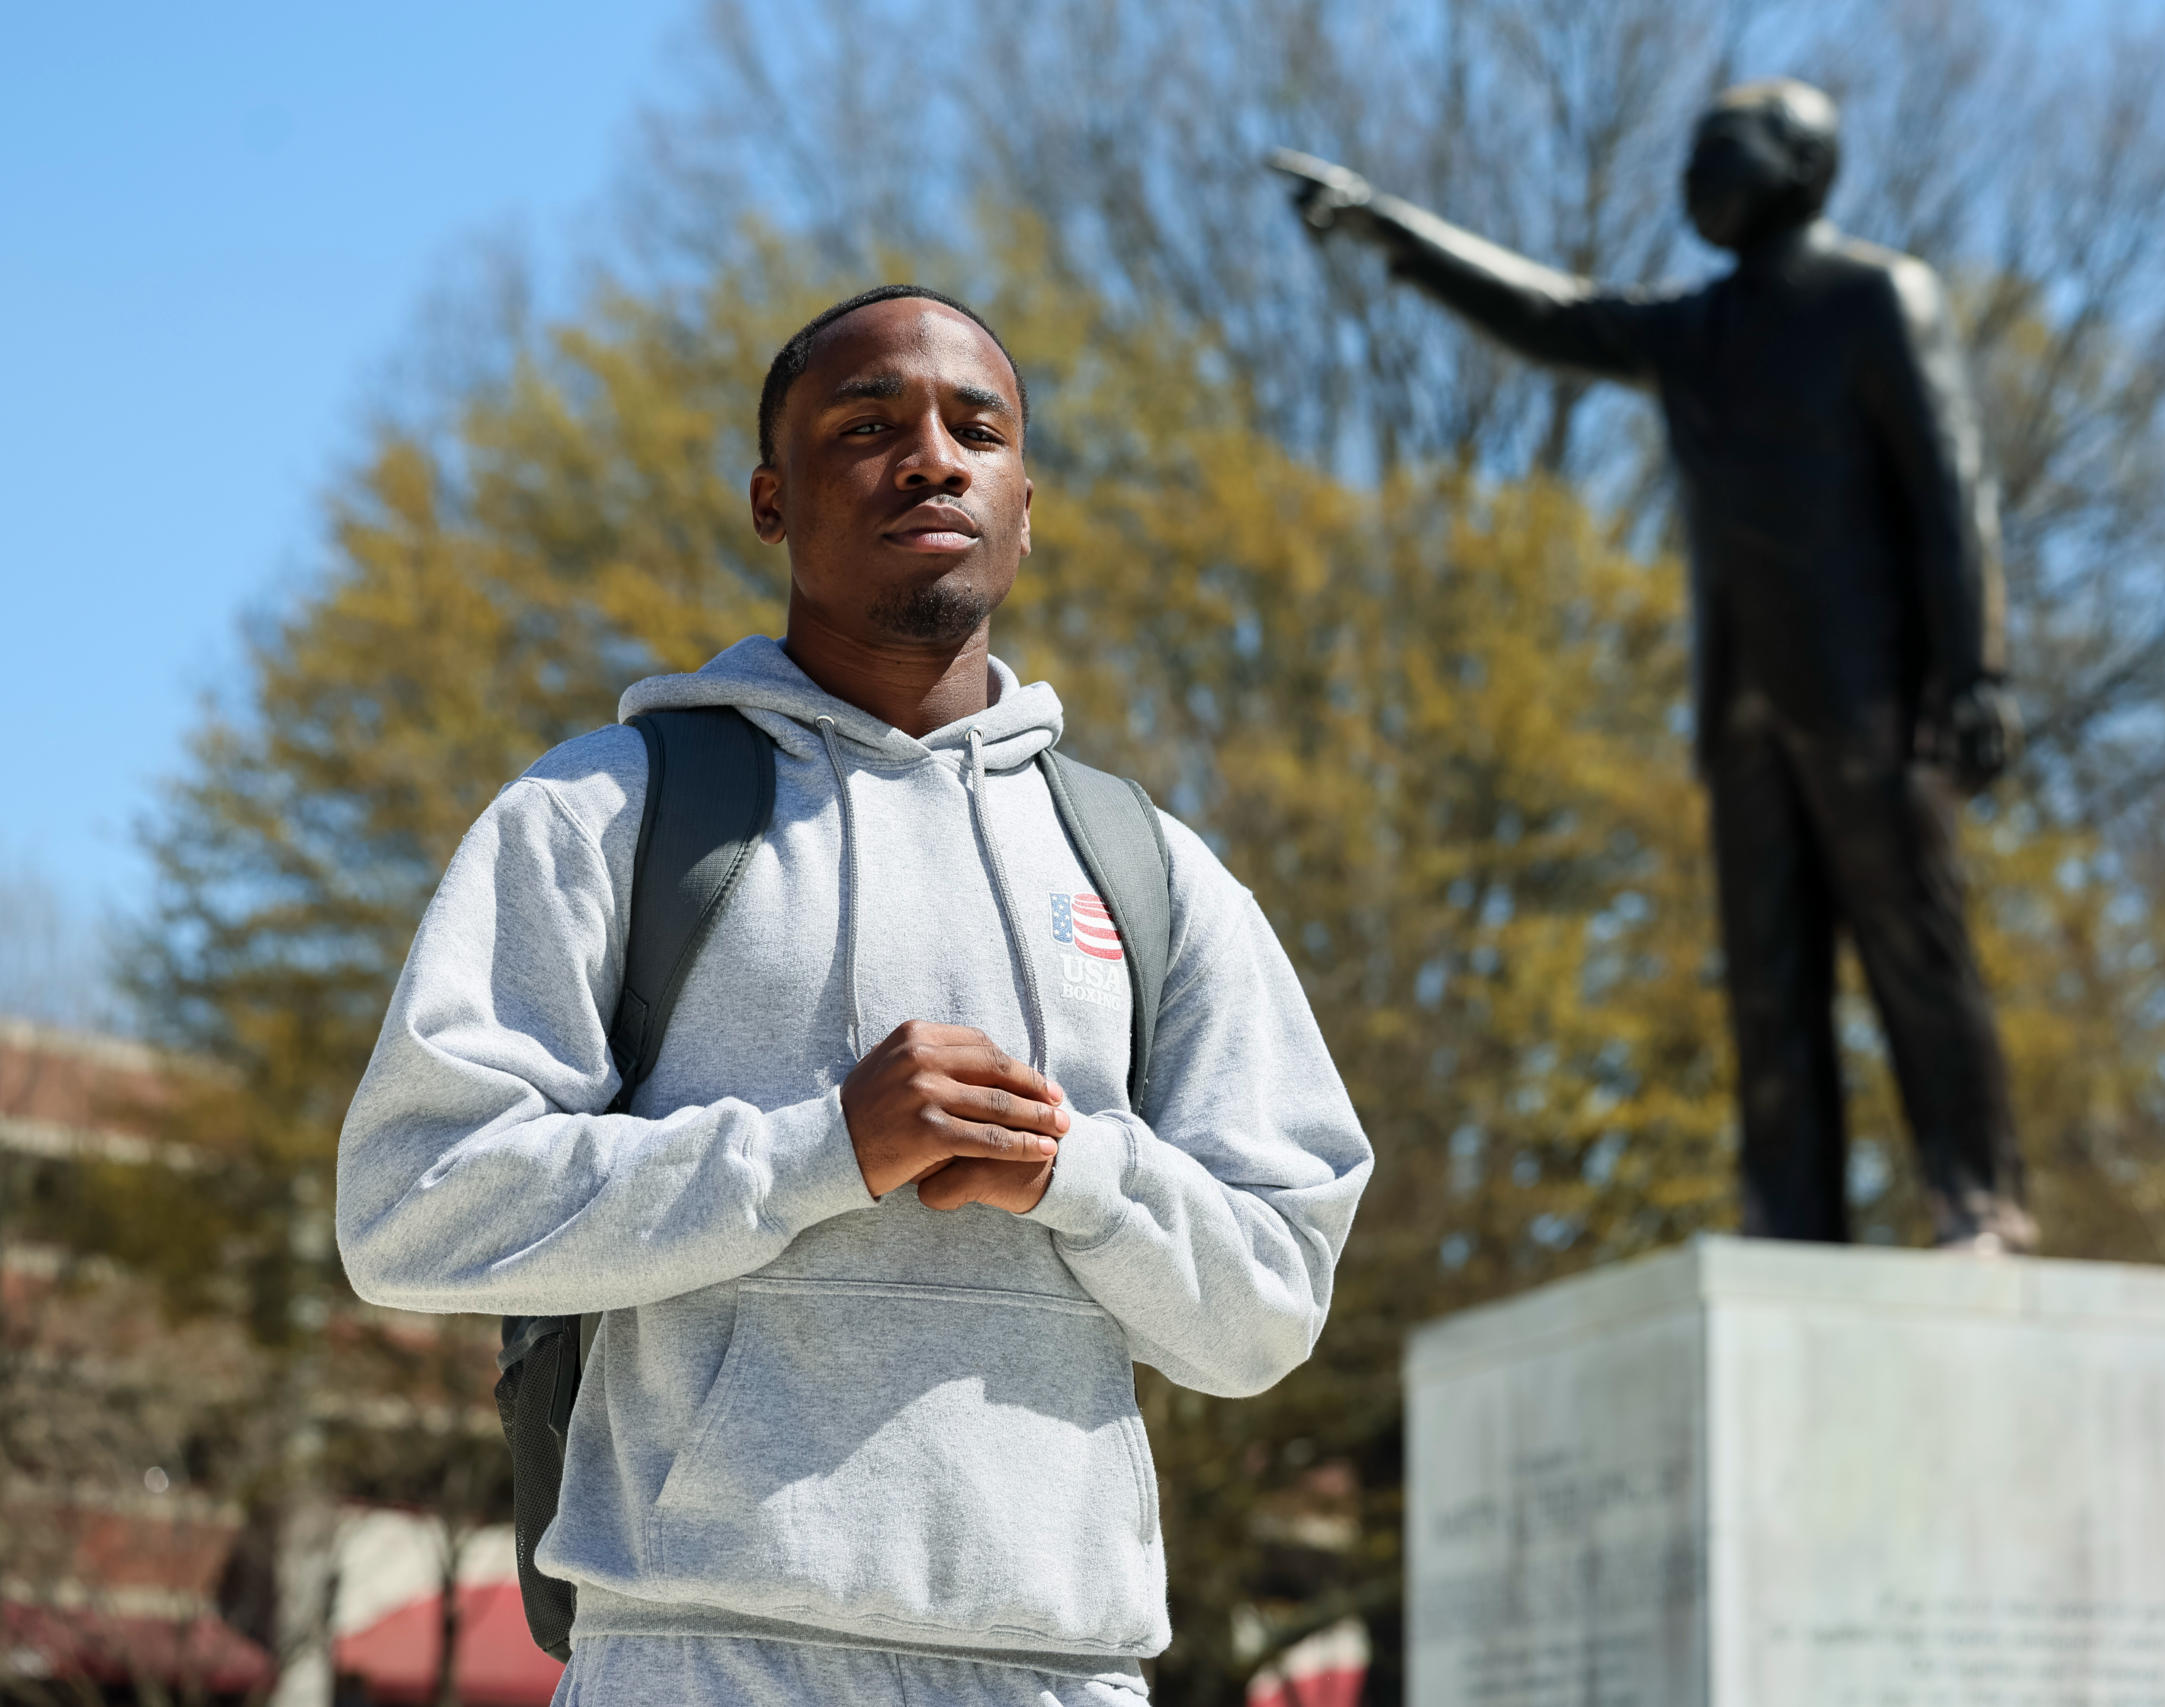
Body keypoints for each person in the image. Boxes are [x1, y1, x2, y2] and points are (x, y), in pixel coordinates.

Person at [335, 285, 1373, 1706]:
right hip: (696, 1656)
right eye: (869, 423)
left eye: (978, 429)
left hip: (1061, 1671)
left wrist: (1081, 1169)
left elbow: (1266, 1305)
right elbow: (413, 1201)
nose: (933, 456)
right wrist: (824, 1148)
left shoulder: (1152, 871)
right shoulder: (607, 813)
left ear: (1026, 500)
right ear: (774, 499)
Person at [1272, 79, 2033, 1250]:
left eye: (1719, 149)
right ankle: (1790, 1223)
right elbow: (1551, 312)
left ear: (1801, 163)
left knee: (1913, 955)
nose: (1694, 174)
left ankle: (1979, 1199)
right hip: (1743, 707)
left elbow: (1952, 488)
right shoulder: (1696, 330)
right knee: (1768, 982)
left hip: (1872, 691)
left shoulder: (1877, 295)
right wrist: (1390, 228)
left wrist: (1977, 668)